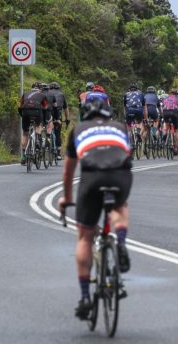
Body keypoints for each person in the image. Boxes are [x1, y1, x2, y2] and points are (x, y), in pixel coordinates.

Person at [58, 100, 132, 320]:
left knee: (85, 237)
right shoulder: (119, 127)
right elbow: (126, 154)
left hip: (91, 177)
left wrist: (67, 198)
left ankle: (84, 298)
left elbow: (68, 171)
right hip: (120, 175)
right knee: (119, 205)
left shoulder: (78, 130)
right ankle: (120, 240)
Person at [19, 82, 49, 165]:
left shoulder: (25, 94)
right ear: (40, 89)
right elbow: (46, 108)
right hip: (36, 111)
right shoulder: (42, 95)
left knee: (25, 133)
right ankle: (38, 141)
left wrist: (22, 115)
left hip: (25, 112)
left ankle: (24, 156)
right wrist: (44, 119)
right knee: (38, 125)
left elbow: (20, 106)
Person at [50, 82, 70, 160]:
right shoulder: (61, 94)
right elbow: (66, 108)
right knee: (57, 133)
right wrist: (67, 119)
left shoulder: (47, 93)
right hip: (57, 114)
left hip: (48, 113)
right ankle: (58, 154)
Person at [161, 88, 178, 154]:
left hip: (165, 112)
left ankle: (165, 134)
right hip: (174, 113)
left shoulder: (165, 98)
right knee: (176, 130)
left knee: (166, 124)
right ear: (177, 94)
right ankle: (176, 147)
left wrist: (163, 117)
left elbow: (163, 108)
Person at [41, 83, 57, 148]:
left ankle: (40, 139)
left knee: (39, 126)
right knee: (50, 126)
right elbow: (55, 107)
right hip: (48, 113)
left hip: (39, 113)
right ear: (48, 89)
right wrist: (57, 118)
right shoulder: (52, 95)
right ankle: (48, 137)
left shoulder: (39, 94)